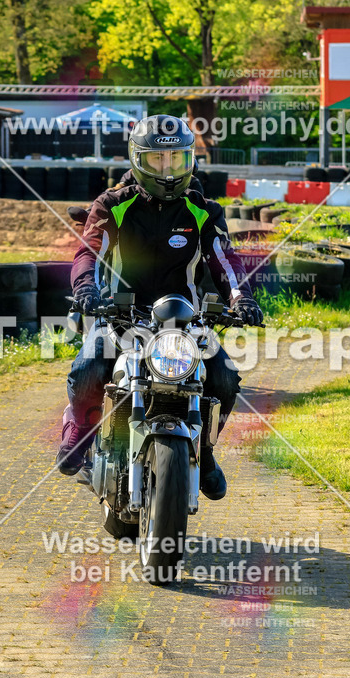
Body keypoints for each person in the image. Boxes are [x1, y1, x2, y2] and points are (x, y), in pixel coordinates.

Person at [56, 115, 263, 502]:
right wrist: (86, 288)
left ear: (190, 161)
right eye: (157, 161)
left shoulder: (203, 211)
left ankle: (204, 449)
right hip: (121, 316)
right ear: (137, 160)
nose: (168, 171)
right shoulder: (113, 205)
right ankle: (80, 431)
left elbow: (225, 260)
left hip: (185, 321)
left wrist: (241, 298)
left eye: (177, 160)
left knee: (223, 377)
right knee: (88, 367)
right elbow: (88, 252)